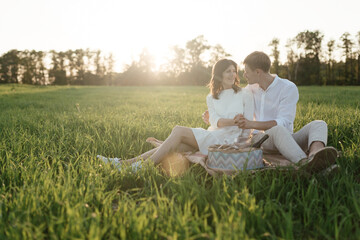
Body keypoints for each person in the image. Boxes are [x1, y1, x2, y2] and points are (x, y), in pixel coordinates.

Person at [98, 59, 254, 169]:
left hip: (229, 140)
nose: (233, 74)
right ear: (219, 74)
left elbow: (248, 124)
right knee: (176, 144)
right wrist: (232, 121)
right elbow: (214, 121)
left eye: (234, 71)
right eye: (228, 71)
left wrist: (241, 142)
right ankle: (123, 163)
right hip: (212, 135)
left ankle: (142, 167)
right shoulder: (211, 97)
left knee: (178, 130)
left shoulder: (244, 94)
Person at [203, 51, 338, 172]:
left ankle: (316, 156)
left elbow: (284, 122)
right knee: (276, 130)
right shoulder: (250, 89)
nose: (243, 75)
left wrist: (251, 124)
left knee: (319, 124)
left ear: (258, 72)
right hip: (260, 139)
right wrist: (213, 113)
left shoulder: (287, 88)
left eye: (246, 71)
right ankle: (305, 163)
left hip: (287, 137)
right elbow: (233, 101)